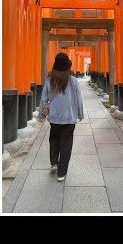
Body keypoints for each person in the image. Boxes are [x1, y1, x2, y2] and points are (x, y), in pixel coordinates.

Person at [38, 53, 84, 182]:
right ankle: (61, 173)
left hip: (54, 117)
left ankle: (54, 163)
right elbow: (78, 98)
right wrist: (80, 113)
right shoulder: (73, 81)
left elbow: (44, 99)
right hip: (69, 118)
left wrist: (42, 113)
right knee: (66, 145)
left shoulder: (49, 80)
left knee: (54, 139)